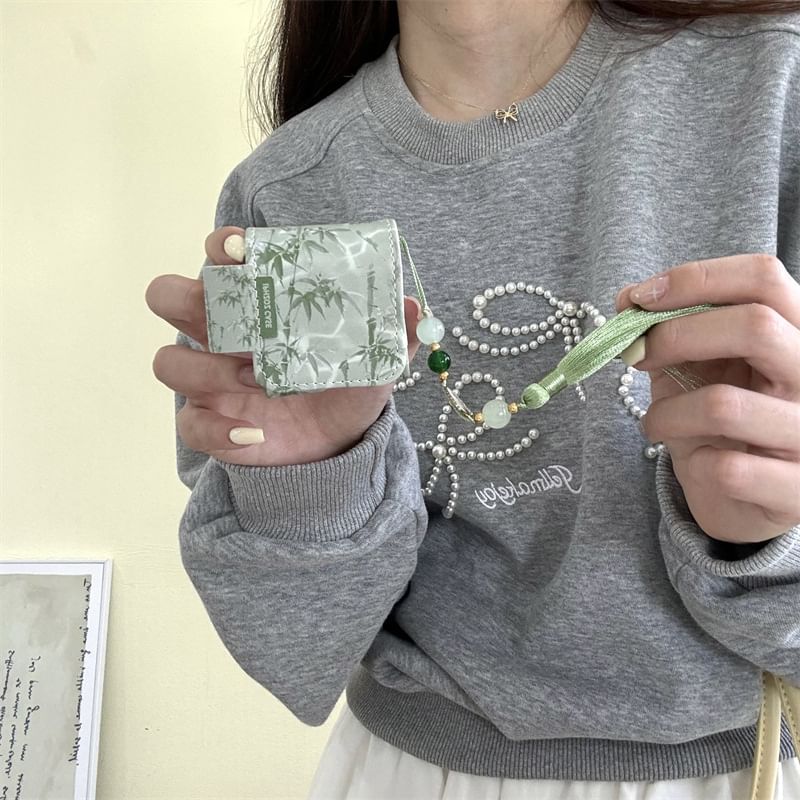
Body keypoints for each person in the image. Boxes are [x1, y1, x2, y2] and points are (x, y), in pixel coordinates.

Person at [145, 0, 800, 797]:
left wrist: (768, 539)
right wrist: (313, 488)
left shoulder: (775, 82)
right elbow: (296, 655)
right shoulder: (289, 189)